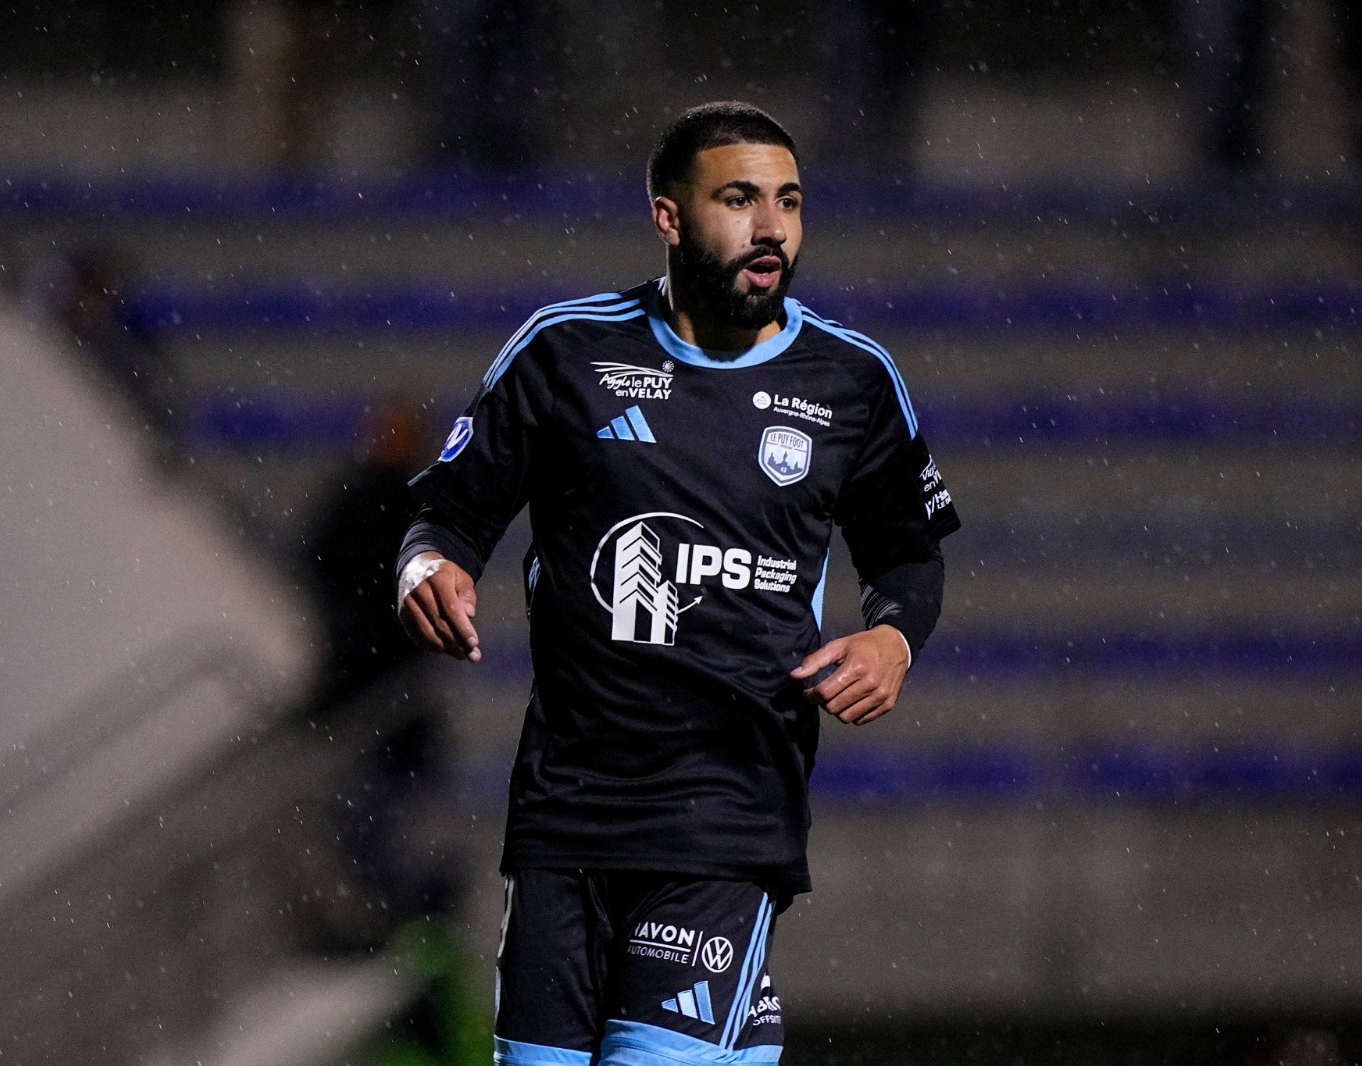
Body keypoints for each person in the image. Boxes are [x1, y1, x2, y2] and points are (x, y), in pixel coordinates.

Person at [394, 101, 960, 1066]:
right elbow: (448, 510)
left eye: (788, 201)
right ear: (668, 217)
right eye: (739, 199)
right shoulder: (564, 353)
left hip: (726, 814)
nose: (771, 227)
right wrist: (429, 564)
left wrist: (891, 636)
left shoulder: (850, 380)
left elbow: (907, 555)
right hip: (565, 813)